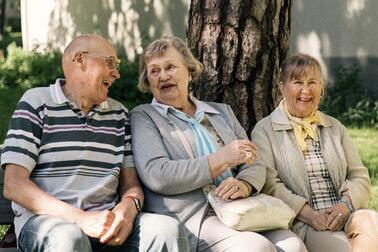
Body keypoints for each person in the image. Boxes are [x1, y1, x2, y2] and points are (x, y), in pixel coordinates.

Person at [1, 34, 190, 252]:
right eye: (110, 63)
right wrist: (81, 219)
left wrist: (126, 212)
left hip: (106, 226)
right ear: (80, 59)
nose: (117, 74)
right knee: (68, 237)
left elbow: (131, 186)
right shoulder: (37, 102)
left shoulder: (119, 114)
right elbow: (14, 185)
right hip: (47, 223)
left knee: (166, 229)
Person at [130, 36, 307, 252]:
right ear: (148, 81)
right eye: (154, 71)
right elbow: (157, 174)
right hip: (196, 217)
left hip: (242, 209)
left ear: (188, 70)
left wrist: (245, 184)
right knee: (255, 248)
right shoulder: (144, 117)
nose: (163, 76)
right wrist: (220, 159)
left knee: (294, 246)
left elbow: (253, 160)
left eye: (170, 67)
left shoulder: (220, 112)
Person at [251, 53, 378, 251]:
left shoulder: (334, 127)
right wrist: (309, 214)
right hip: (306, 223)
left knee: (372, 221)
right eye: (297, 82)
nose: (306, 90)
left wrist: (345, 206)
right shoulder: (265, 130)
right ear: (282, 87)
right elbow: (269, 184)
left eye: (313, 82)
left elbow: (359, 176)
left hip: (345, 213)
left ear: (321, 88)